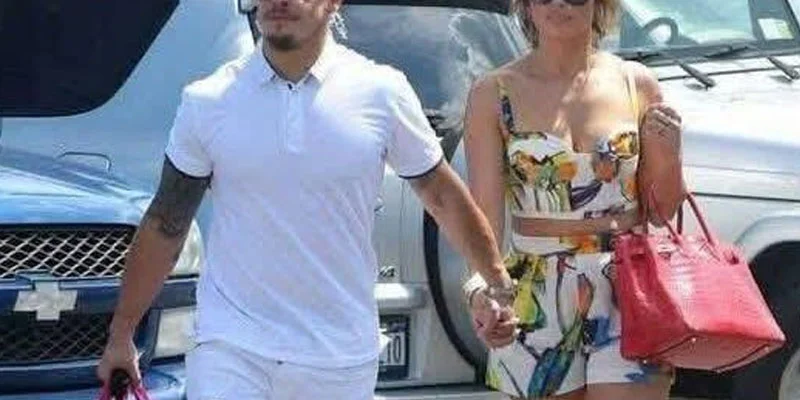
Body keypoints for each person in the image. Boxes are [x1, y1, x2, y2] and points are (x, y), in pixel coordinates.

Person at [96, 0, 516, 398]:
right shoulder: (208, 100)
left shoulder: (381, 92)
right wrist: (121, 334)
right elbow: (166, 222)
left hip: (340, 356)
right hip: (232, 347)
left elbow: (442, 195)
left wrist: (495, 284)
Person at [461, 0, 684, 399]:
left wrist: (670, 156)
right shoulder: (493, 93)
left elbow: (661, 212)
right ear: (527, 5)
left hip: (628, 286)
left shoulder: (636, 83)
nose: (560, 3)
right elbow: (484, 219)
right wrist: (481, 289)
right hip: (535, 291)